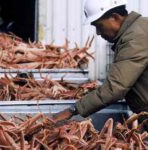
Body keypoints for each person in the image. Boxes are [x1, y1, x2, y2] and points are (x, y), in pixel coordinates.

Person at [53, 0, 148, 130]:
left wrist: (72, 110)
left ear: (115, 17)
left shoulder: (135, 38)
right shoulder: (139, 28)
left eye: (99, 26)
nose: (98, 32)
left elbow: (115, 88)